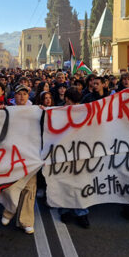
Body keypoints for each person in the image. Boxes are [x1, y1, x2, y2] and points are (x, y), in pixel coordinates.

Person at [1, 84, 36, 234]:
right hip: (11, 154)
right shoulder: (7, 110)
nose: (22, 97)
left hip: (30, 154)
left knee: (29, 186)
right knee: (10, 185)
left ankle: (26, 220)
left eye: (24, 94)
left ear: (28, 96)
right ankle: (9, 211)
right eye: (19, 94)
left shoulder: (35, 111)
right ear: (14, 96)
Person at [57, 87, 90, 228]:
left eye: (78, 102)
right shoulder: (57, 112)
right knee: (63, 183)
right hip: (62, 154)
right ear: (66, 99)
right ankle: (64, 209)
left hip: (80, 153)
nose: (76, 106)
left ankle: (81, 212)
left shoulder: (84, 111)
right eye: (73, 102)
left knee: (80, 183)